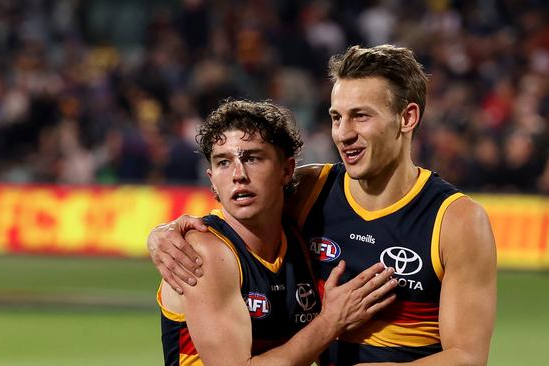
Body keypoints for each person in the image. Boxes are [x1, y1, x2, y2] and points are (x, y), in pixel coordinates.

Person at [149, 45, 497, 365]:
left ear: (406, 118)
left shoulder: (456, 220)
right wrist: (163, 234)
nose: (343, 133)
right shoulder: (311, 191)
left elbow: (467, 356)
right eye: (336, 117)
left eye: (360, 116)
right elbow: (235, 213)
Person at [156, 99, 398, 366]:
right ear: (212, 180)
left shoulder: (299, 241)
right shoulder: (205, 251)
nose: (238, 174)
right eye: (224, 162)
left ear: (287, 170)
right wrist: (331, 321)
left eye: (252, 158)